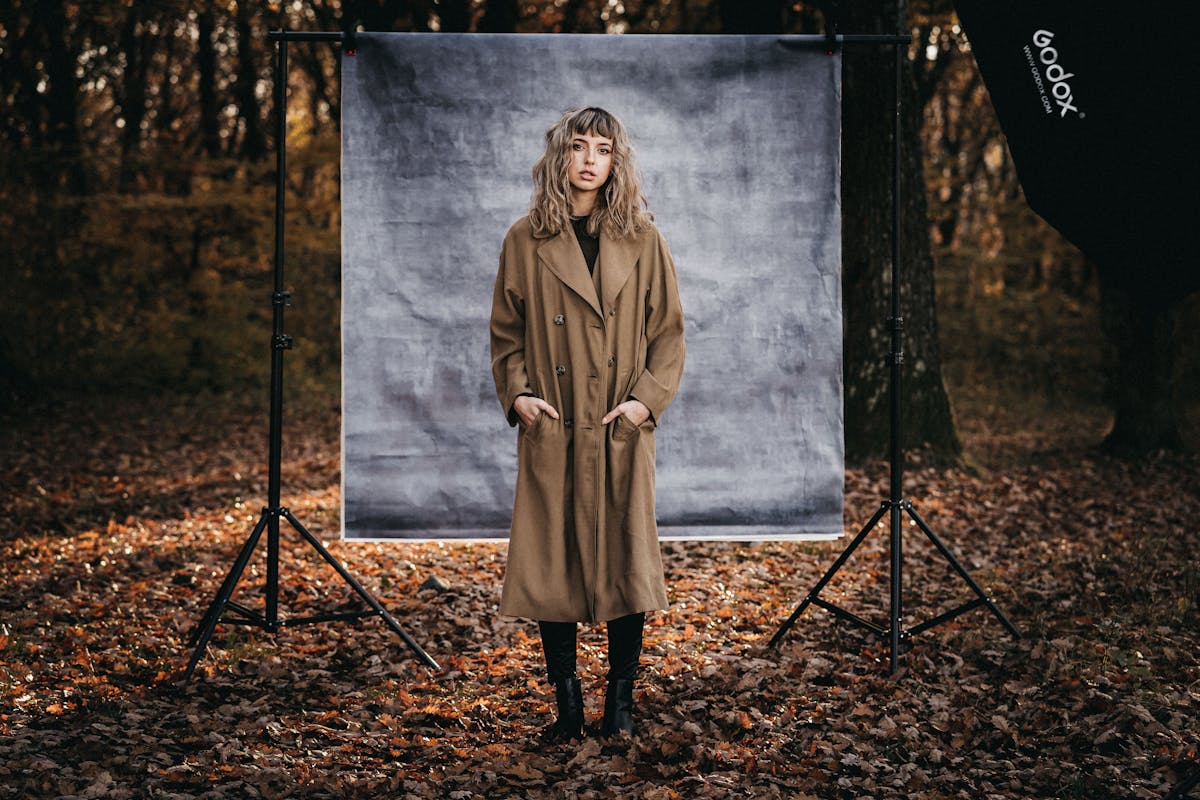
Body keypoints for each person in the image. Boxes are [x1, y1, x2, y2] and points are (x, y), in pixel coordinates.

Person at [489, 107, 686, 743]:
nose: (589, 159)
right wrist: (519, 396)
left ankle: (621, 704)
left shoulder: (643, 238)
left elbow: (669, 336)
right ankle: (568, 707)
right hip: (558, 424)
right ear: (561, 157)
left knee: (628, 561)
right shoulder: (526, 238)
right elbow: (506, 333)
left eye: (602, 148)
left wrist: (643, 403)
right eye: (579, 146)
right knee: (554, 566)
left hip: (618, 425)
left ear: (615, 161)